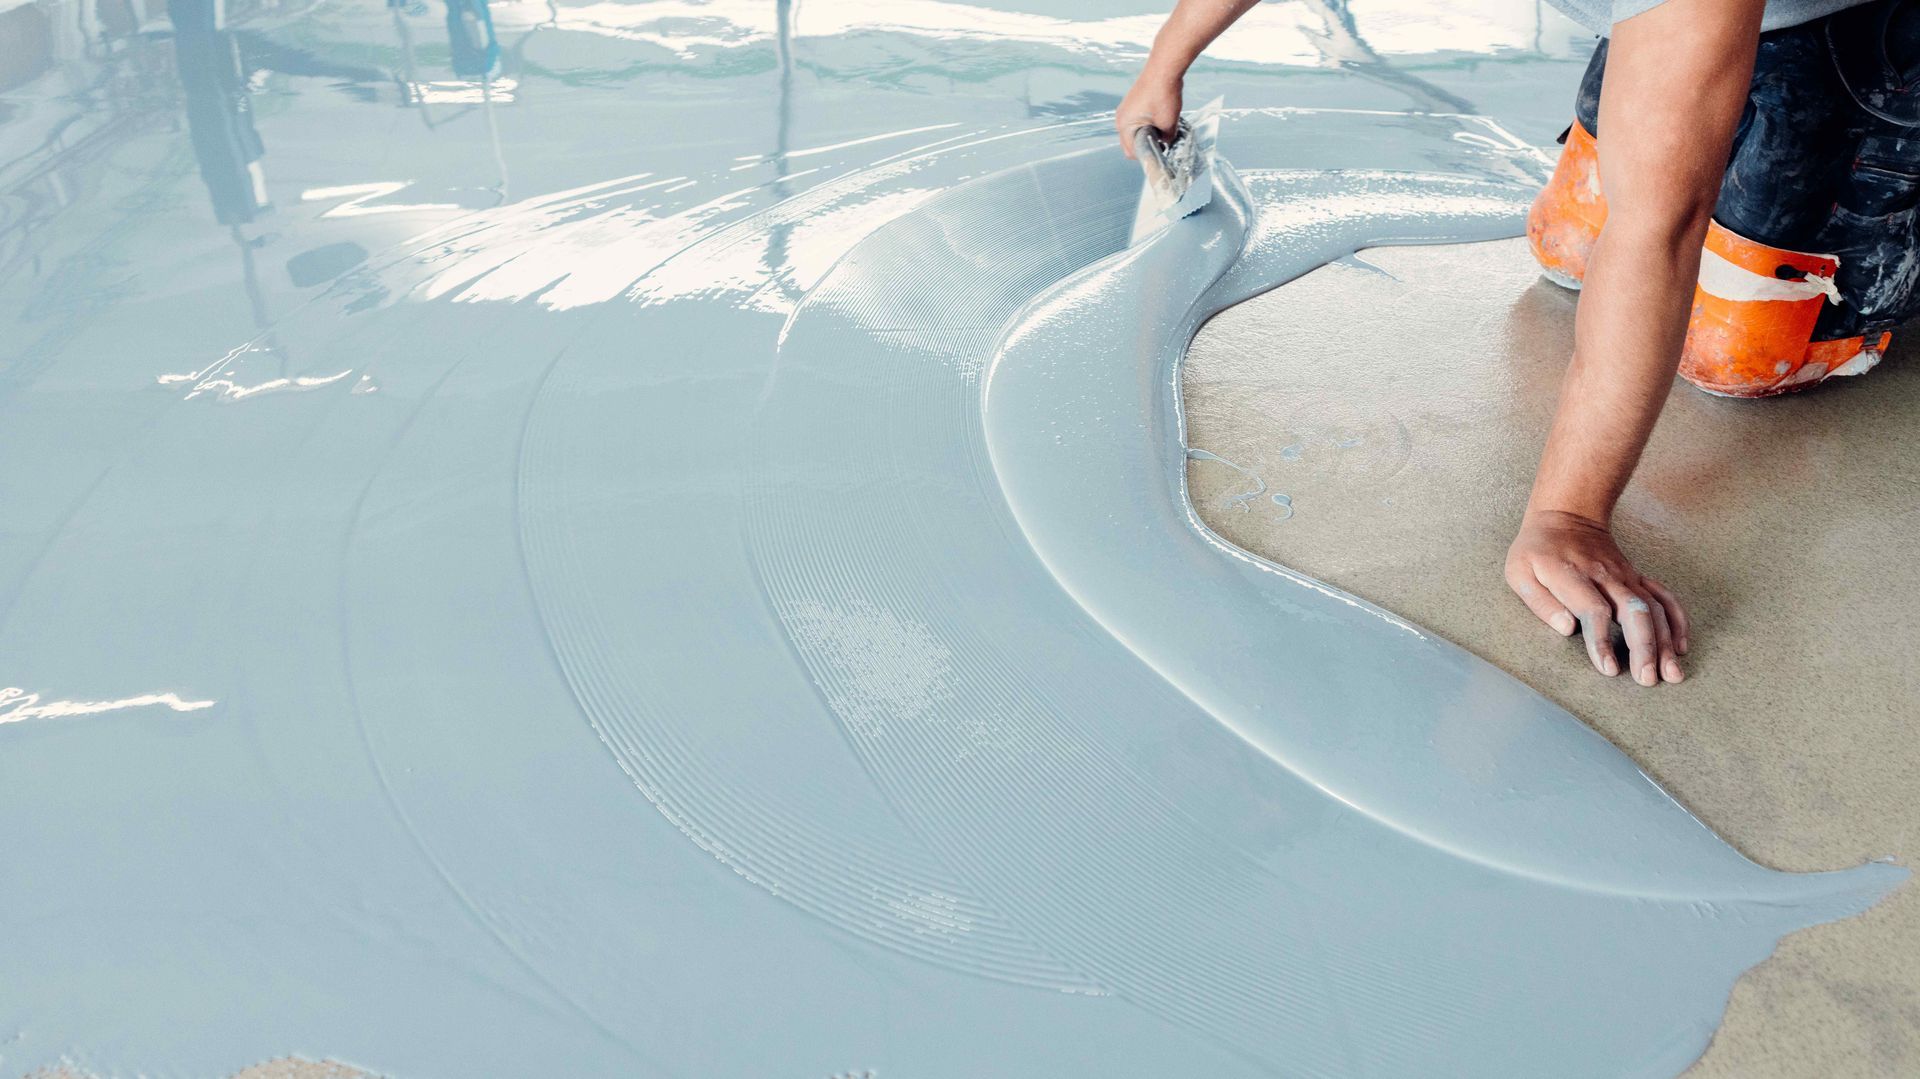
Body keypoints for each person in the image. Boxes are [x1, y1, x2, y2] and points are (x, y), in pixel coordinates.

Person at [1118, 0, 1919, 688]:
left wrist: (1571, 513)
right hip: (1693, 23)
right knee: (1571, 244)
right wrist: (1169, 59)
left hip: (1854, 34)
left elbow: (1661, 229)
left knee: (1735, 345)